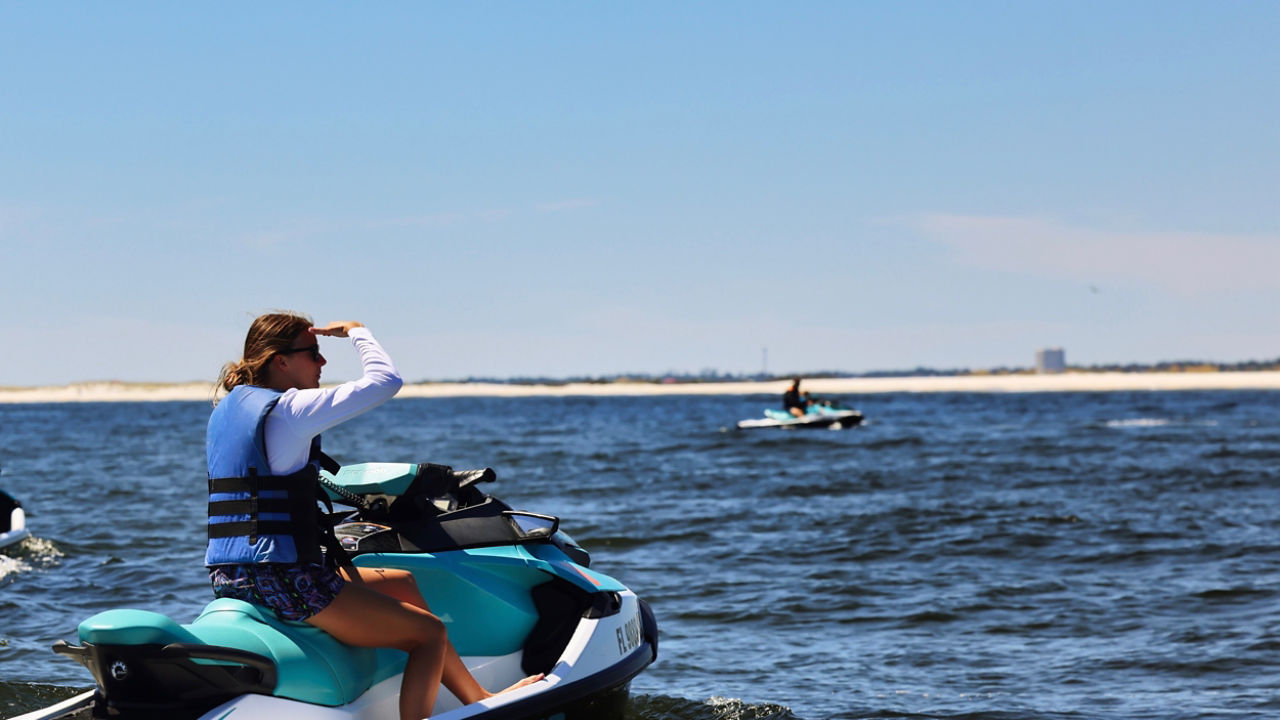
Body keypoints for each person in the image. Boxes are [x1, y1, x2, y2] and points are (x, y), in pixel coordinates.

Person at [206, 312, 541, 720]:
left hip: (234, 573)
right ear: (281, 361)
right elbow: (385, 381)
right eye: (313, 353)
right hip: (281, 576)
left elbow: (267, 485)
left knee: (401, 582)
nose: (322, 363)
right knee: (428, 635)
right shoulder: (289, 410)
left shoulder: (229, 410)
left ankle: (477, 699)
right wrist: (355, 332)